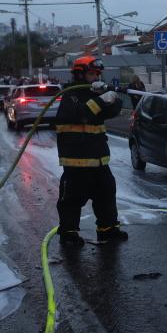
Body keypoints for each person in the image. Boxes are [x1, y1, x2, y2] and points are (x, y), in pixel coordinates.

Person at [55, 56, 126, 246]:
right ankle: (68, 233)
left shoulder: (94, 93)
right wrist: (102, 99)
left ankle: (108, 229)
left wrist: (113, 97)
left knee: (106, 192)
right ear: (79, 74)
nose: (95, 77)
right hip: (76, 160)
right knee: (73, 197)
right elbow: (81, 113)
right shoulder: (71, 95)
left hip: (98, 159)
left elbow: (110, 112)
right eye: (92, 73)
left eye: (98, 74)